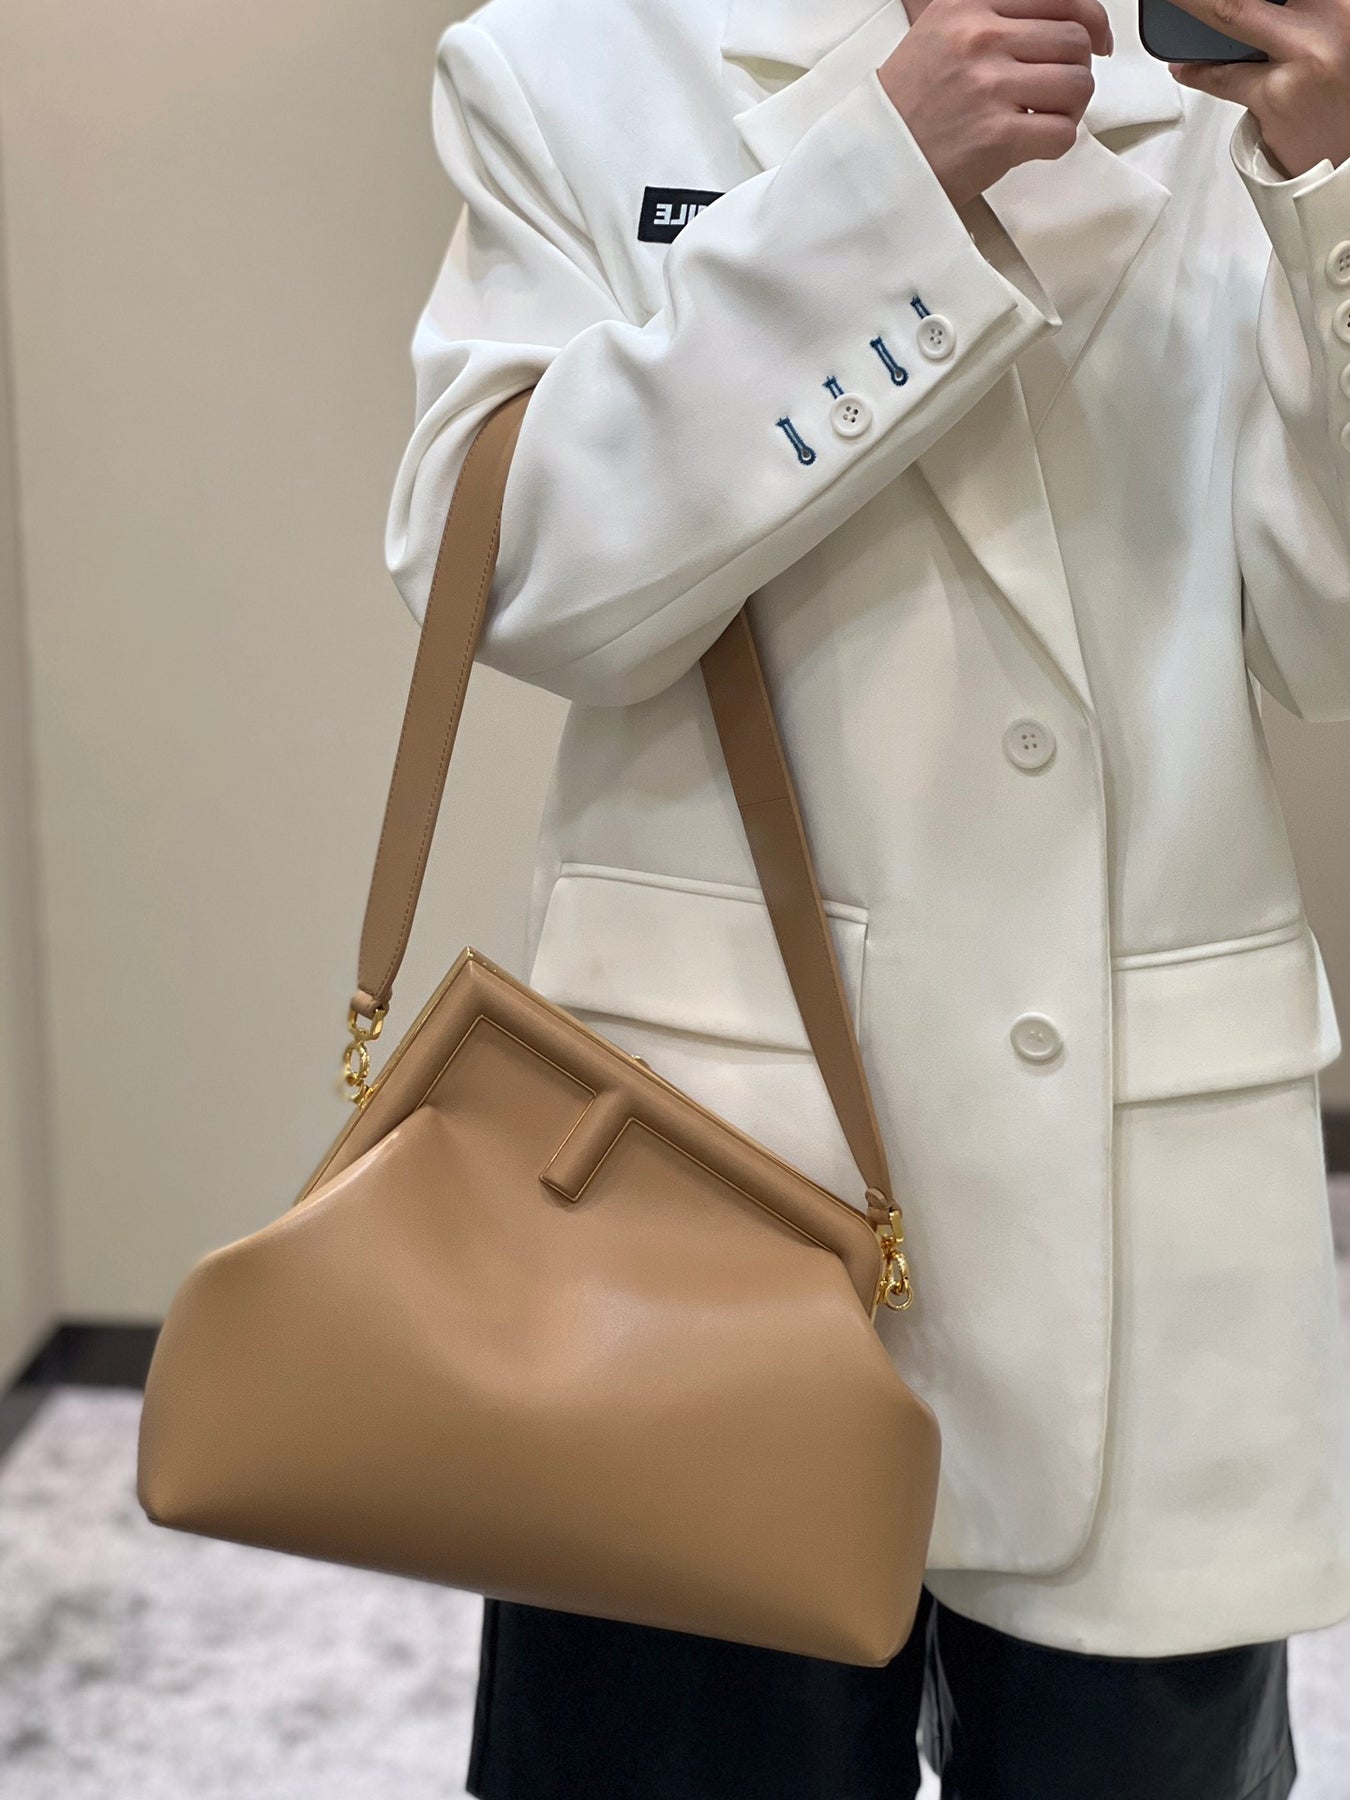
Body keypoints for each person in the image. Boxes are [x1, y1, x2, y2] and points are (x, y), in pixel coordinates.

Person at [383, 0, 1350, 1792]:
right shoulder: (573, 58)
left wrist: (1335, 185)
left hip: (1144, 1179)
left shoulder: (1235, 90)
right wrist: (877, 196)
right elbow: (507, 583)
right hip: (703, 1164)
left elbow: (1330, 644)